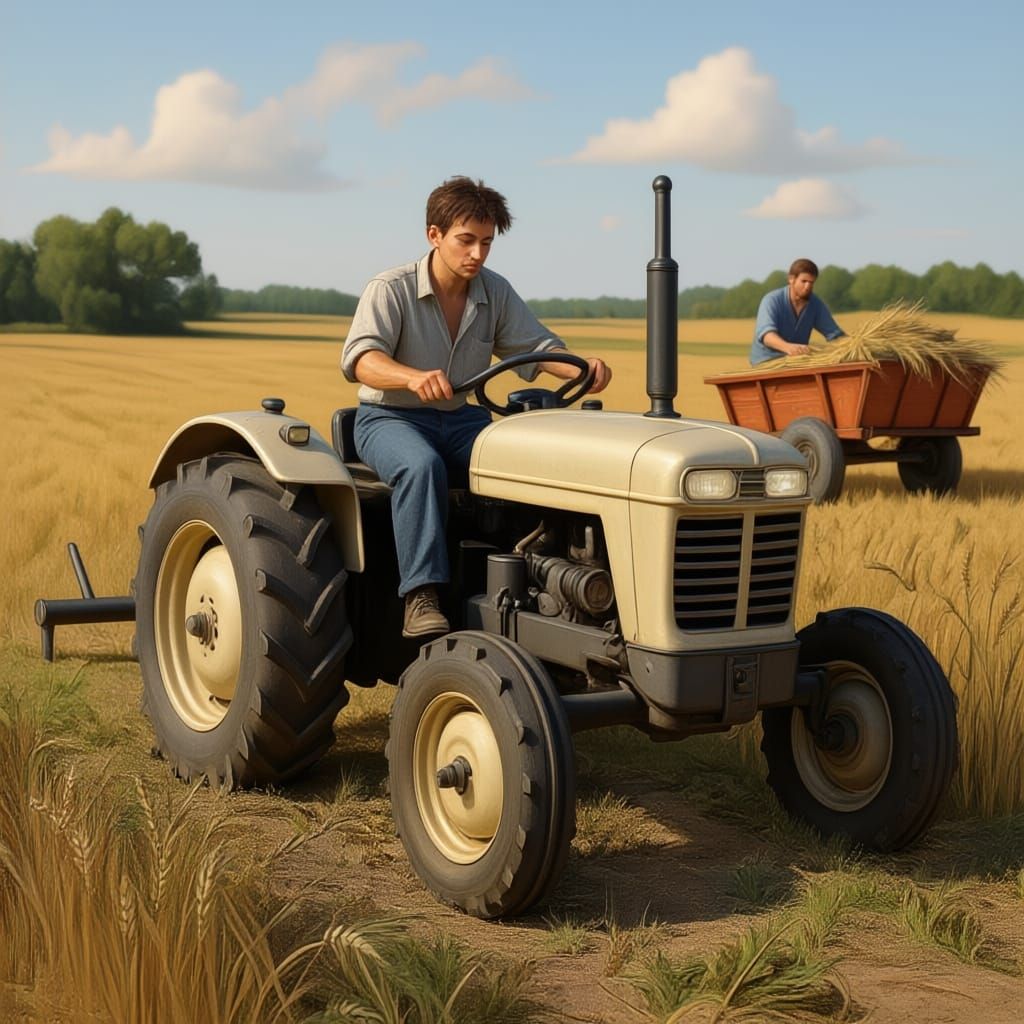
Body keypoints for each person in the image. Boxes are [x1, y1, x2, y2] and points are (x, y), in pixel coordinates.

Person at [341, 176, 612, 638]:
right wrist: (411, 376)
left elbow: (537, 346)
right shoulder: (390, 289)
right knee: (422, 466)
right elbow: (362, 360)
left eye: (487, 243)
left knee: (529, 461)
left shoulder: (495, 291)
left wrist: (581, 368)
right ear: (434, 235)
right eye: (466, 241)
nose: (478, 254)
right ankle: (421, 597)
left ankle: (537, 580)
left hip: (463, 419)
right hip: (391, 417)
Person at [749, 258, 844, 365]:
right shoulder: (771, 300)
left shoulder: (816, 305)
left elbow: (835, 335)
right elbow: (767, 336)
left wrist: (853, 345)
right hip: (766, 363)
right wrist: (788, 347)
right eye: (804, 281)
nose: (808, 287)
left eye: (811, 282)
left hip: (795, 363)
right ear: (791, 279)